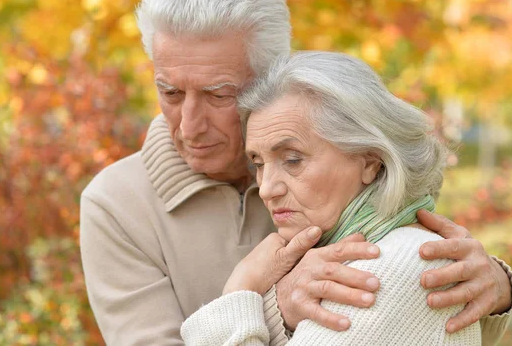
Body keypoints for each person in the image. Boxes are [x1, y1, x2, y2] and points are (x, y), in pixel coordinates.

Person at [79, 0, 512, 346]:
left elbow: (420, 301)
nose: (189, 125)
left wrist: (500, 289)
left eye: (219, 94)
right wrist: (277, 307)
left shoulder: (335, 162)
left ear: (272, 78)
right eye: (170, 92)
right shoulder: (115, 203)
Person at [180, 51, 483, 344]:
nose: (267, 188)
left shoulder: (385, 268)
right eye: (259, 163)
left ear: (369, 161)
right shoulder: (371, 252)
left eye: (293, 159)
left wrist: (240, 288)